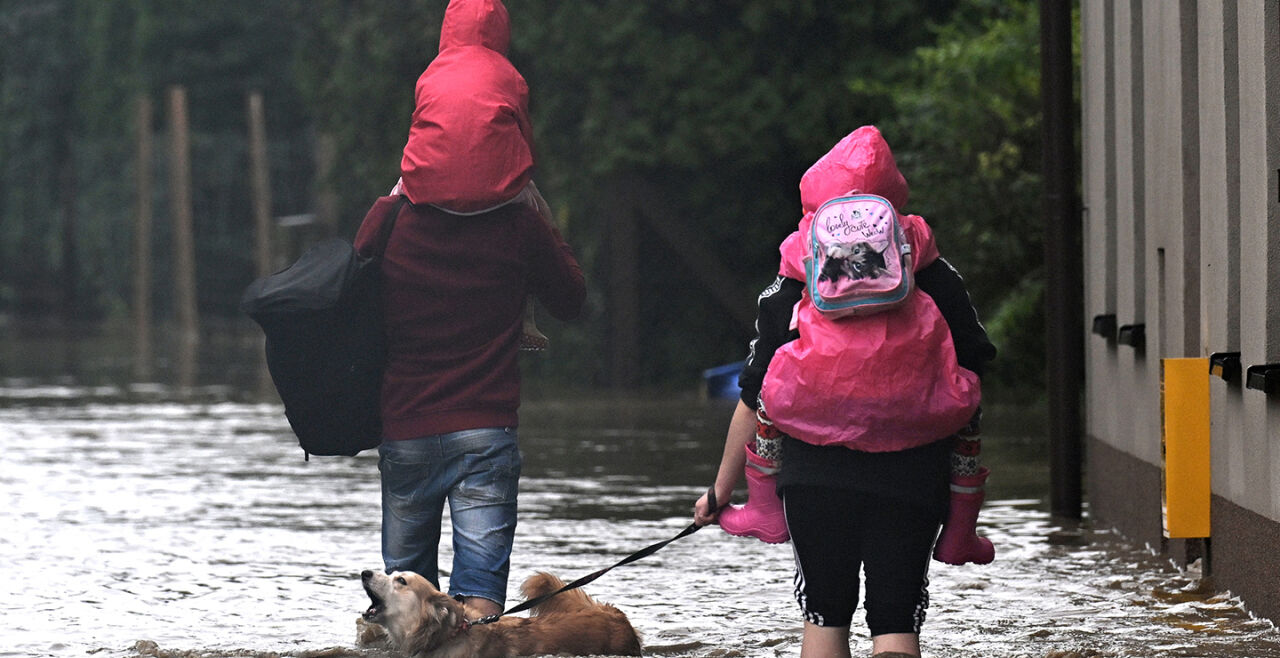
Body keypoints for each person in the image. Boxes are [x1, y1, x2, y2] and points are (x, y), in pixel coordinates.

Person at [694, 126, 996, 658]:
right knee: (897, 617)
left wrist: (721, 489)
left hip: (814, 476)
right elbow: (974, 363)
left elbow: (754, 391)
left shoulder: (796, 274)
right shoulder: (932, 269)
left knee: (824, 616)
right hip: (914, 472)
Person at [355, 0, 586, 620]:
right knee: (480, 603)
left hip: (403, 427)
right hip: (486, 430)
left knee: (403, 609)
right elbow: (572, 300)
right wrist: (543, 219)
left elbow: (349, 290)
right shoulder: (519, 227)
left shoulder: (392, 217)